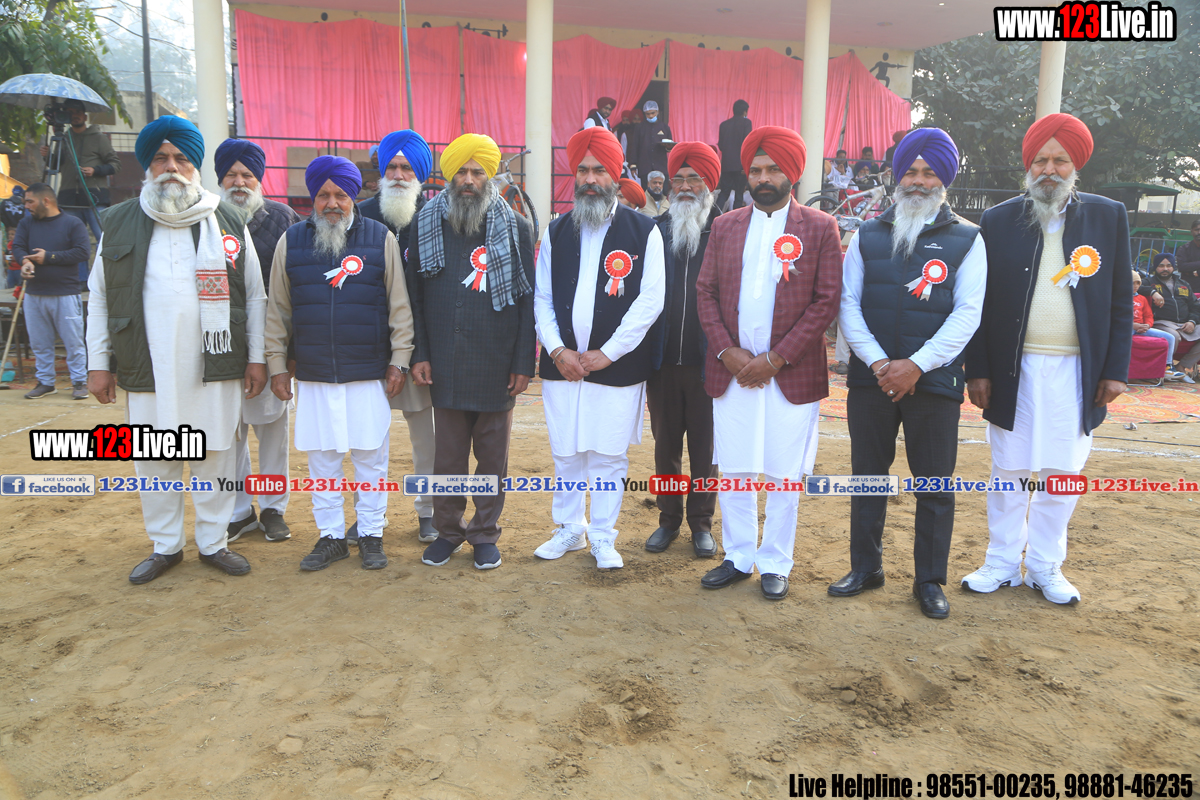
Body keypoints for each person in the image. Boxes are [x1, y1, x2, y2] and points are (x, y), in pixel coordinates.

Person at [86, 115, 266, 584]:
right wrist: (97, 364)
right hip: (148, 362)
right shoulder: (119, 222)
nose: (171, 167)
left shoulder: (227, 219)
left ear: (195, 166)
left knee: (215, 454)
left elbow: (254, 294)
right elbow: (100, 297)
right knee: (154, 458)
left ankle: (213, 542)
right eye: (161, 158)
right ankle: (166, 546)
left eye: (182, 158)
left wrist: (256, 357)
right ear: (147, 165)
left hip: (215, 363)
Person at [963, 113, 1132, 606]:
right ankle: (1000, 562)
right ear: (1028, 165)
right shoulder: (998, 220)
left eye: (1060, 160)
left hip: (1077, 371)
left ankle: (1044, 566)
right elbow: (979, 302)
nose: (1050, 170)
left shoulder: (1107, 216)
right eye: (1040, 160)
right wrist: (978, 370)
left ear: (1076, 165)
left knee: (1062, 473)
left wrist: (1115, 370)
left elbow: (1121, 300)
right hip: (1013, 370)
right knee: (1009, 470)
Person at [832, 128, 985, 620]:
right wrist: (881, 364)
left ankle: (929, 581)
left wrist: (917, 364)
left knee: (935, 485)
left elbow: (968, 313)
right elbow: (848, 305)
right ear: (897, 177)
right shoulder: (867, 235)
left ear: (944, 180)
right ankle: (866, 568)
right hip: (872, 380)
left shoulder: (968, 239)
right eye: (911, 172)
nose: (919, 181)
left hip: (934, 382)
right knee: (867, 479)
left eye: (929, 173)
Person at [695, 126, 842, 601]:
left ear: (791, 173)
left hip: (790, 374)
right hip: (733, 374)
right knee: (735, 468)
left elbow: (826, 301)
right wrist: (728, 352)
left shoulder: (820, 227)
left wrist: (776, 358)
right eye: (756, 170)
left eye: (773, 169)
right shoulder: (725, 225)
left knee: (783, 472)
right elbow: (705, 293)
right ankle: (738, 557)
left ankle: (776, 561)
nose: (763, 178)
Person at [264, 156, 414, 572]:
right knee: (323, 461)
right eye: (324, 195)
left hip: (367, 372)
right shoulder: (291, 241)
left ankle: (371, 534)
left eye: (341, 195)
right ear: (313, 198)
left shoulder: (380, 238)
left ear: (353, 197)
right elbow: (278, 310)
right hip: (313, 375)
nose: (332, 203)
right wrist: (277, 365)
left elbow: (399, 307)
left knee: (370, 460)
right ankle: (331, 537)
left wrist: (399, 361)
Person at [533, 127, 665, 570]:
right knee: (566, 452)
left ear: (616, 174)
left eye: (599, 171)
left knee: (608, 455)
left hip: (618, 365)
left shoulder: (644, 230)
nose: (590, 179)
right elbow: (542, 297)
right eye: (583, 170)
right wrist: (557, 351)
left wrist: (608, 353)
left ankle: (604, 537)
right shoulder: (556, 231)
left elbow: (650, 300)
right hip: (563, 365)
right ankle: (570, 529)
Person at [408, 133, 537, 570]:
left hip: (497, 363)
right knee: (447, 458)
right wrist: (420, 354)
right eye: (461, 171)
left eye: (477, 172)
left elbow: (527, 301)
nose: (468, 180)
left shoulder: (517, 227)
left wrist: (523, 363)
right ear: (449, 176)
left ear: (491, 176)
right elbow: (415, 297)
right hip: (444, 361)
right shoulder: (426, 222)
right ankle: (448, 532)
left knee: (491, 459)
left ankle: (484, 533)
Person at [214, 138, 302, 544]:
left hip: (271, 347)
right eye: (231, 175)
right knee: (229, 431)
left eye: (247, 174)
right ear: (220, 179)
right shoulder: (207, 219)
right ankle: (239, 511)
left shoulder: (283, 219)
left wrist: (291, 351)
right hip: (221, 347)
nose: (239, 182)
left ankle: (272, 509)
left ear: (259, 179)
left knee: (271, 431)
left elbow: (296, 290)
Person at [356, 130, 440, 544]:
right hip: (368, 347)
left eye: (407, 168)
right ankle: (369, 513)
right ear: (381, 172)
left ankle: (428, 510)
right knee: (367, 440)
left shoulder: (436, 217)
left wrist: (422, 351)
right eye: (392, 167)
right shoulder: (360, 216)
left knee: (427, 439)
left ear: (420, 174)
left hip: (421, 349)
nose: (399, 175)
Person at [645, 142, 722, 559]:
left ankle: (701, 523)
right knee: (665, 448)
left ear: (710, 184)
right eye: (680, 179)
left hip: (711, 363)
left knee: (706, 452)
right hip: (661, 364)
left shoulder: (726, 230)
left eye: (695, 179)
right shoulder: (654, 230)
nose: (687, 186)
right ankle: (668, 520)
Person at [13, 184, 90, 400]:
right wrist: (25, 261)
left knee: (73, 342)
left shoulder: (72, 223)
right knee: (39, 343)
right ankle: (46, 382)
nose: (26, 206)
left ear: (46, 201)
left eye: (30, 201)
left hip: (65, 293)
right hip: (34, 293)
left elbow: (82, 252)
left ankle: (79, 381)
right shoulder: (26, 223)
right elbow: (17, 247)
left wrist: (49, 257)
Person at [39, 99, 121, 246]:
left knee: (104, 241)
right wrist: (47, 156)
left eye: (78, 112)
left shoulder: (98, 138)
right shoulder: (64, 139)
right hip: (69, 198)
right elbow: (56, 166)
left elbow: (115, 165)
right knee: (71, 243)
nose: (75, 115)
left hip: (94, 197)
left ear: (85, 116)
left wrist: (95, 170)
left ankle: (104, 263)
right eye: (70, 112)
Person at [1139, 252, 1200, 379]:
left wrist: (1192, 321)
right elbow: (1134, 287)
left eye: (1169, 266)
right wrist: (1152, 292)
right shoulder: (1148, 282)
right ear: (1155, 267)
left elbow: (1195, 307)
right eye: (1161, 266)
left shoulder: (1183, 284)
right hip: (1162, 322)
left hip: (1184, 323)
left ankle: (1182, 366)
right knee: (1173, 336)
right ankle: (1167, 368)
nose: (1165, 269)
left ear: (1173, 267)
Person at [1132, 269, 1187, 381]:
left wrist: (1147, 325)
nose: (1136, 286)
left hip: (1142, 328)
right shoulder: (1118, 297)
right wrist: (1133, 325)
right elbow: (1116, 317)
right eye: (1132, 283)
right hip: (1125, 328)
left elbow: (1149, 316)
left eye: (1138, 283)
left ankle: (1168, 367)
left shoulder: (1142, 298)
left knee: (1170, 337)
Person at [627, 101, 673, 192]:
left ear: (657, 112)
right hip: (645, 166)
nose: (650, 116)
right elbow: (635, 147)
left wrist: (668, 147)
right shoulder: (639, 128)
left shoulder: (664, 128)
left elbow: (670, 146)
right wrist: (633, 165)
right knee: (646, 193)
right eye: (648, 114)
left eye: (653, 113)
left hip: (661, 166)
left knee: (663, 193)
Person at [717, 100, 752, 212]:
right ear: (745, 111)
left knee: (724, 193)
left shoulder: (723, 125)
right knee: (739, 193)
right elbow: (747, 144)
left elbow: (721, 146)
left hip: (726, 165)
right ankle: (736, 219)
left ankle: (714, 216)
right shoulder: (746, 123)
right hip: (740, 166)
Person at [1177, 219, 1200, 286]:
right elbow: (1181, 267)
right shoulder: (1184, 249)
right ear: (1191, 231)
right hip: (1189, 287)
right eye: (1196, 230)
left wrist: (1196, 272)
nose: (1199, 232)